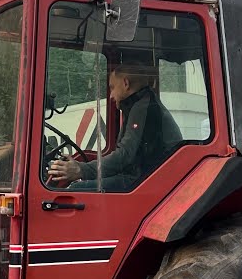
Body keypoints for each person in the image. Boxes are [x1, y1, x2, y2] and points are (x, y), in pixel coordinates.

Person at [46, 61, 182, 192]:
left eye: (112, 87)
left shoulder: (142, 108)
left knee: (76, 190)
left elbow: (124, 155)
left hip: (146, 179)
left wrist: (81, 170)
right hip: (145, 175)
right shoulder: (140, 104)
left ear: (125, 83)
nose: (111, 95)